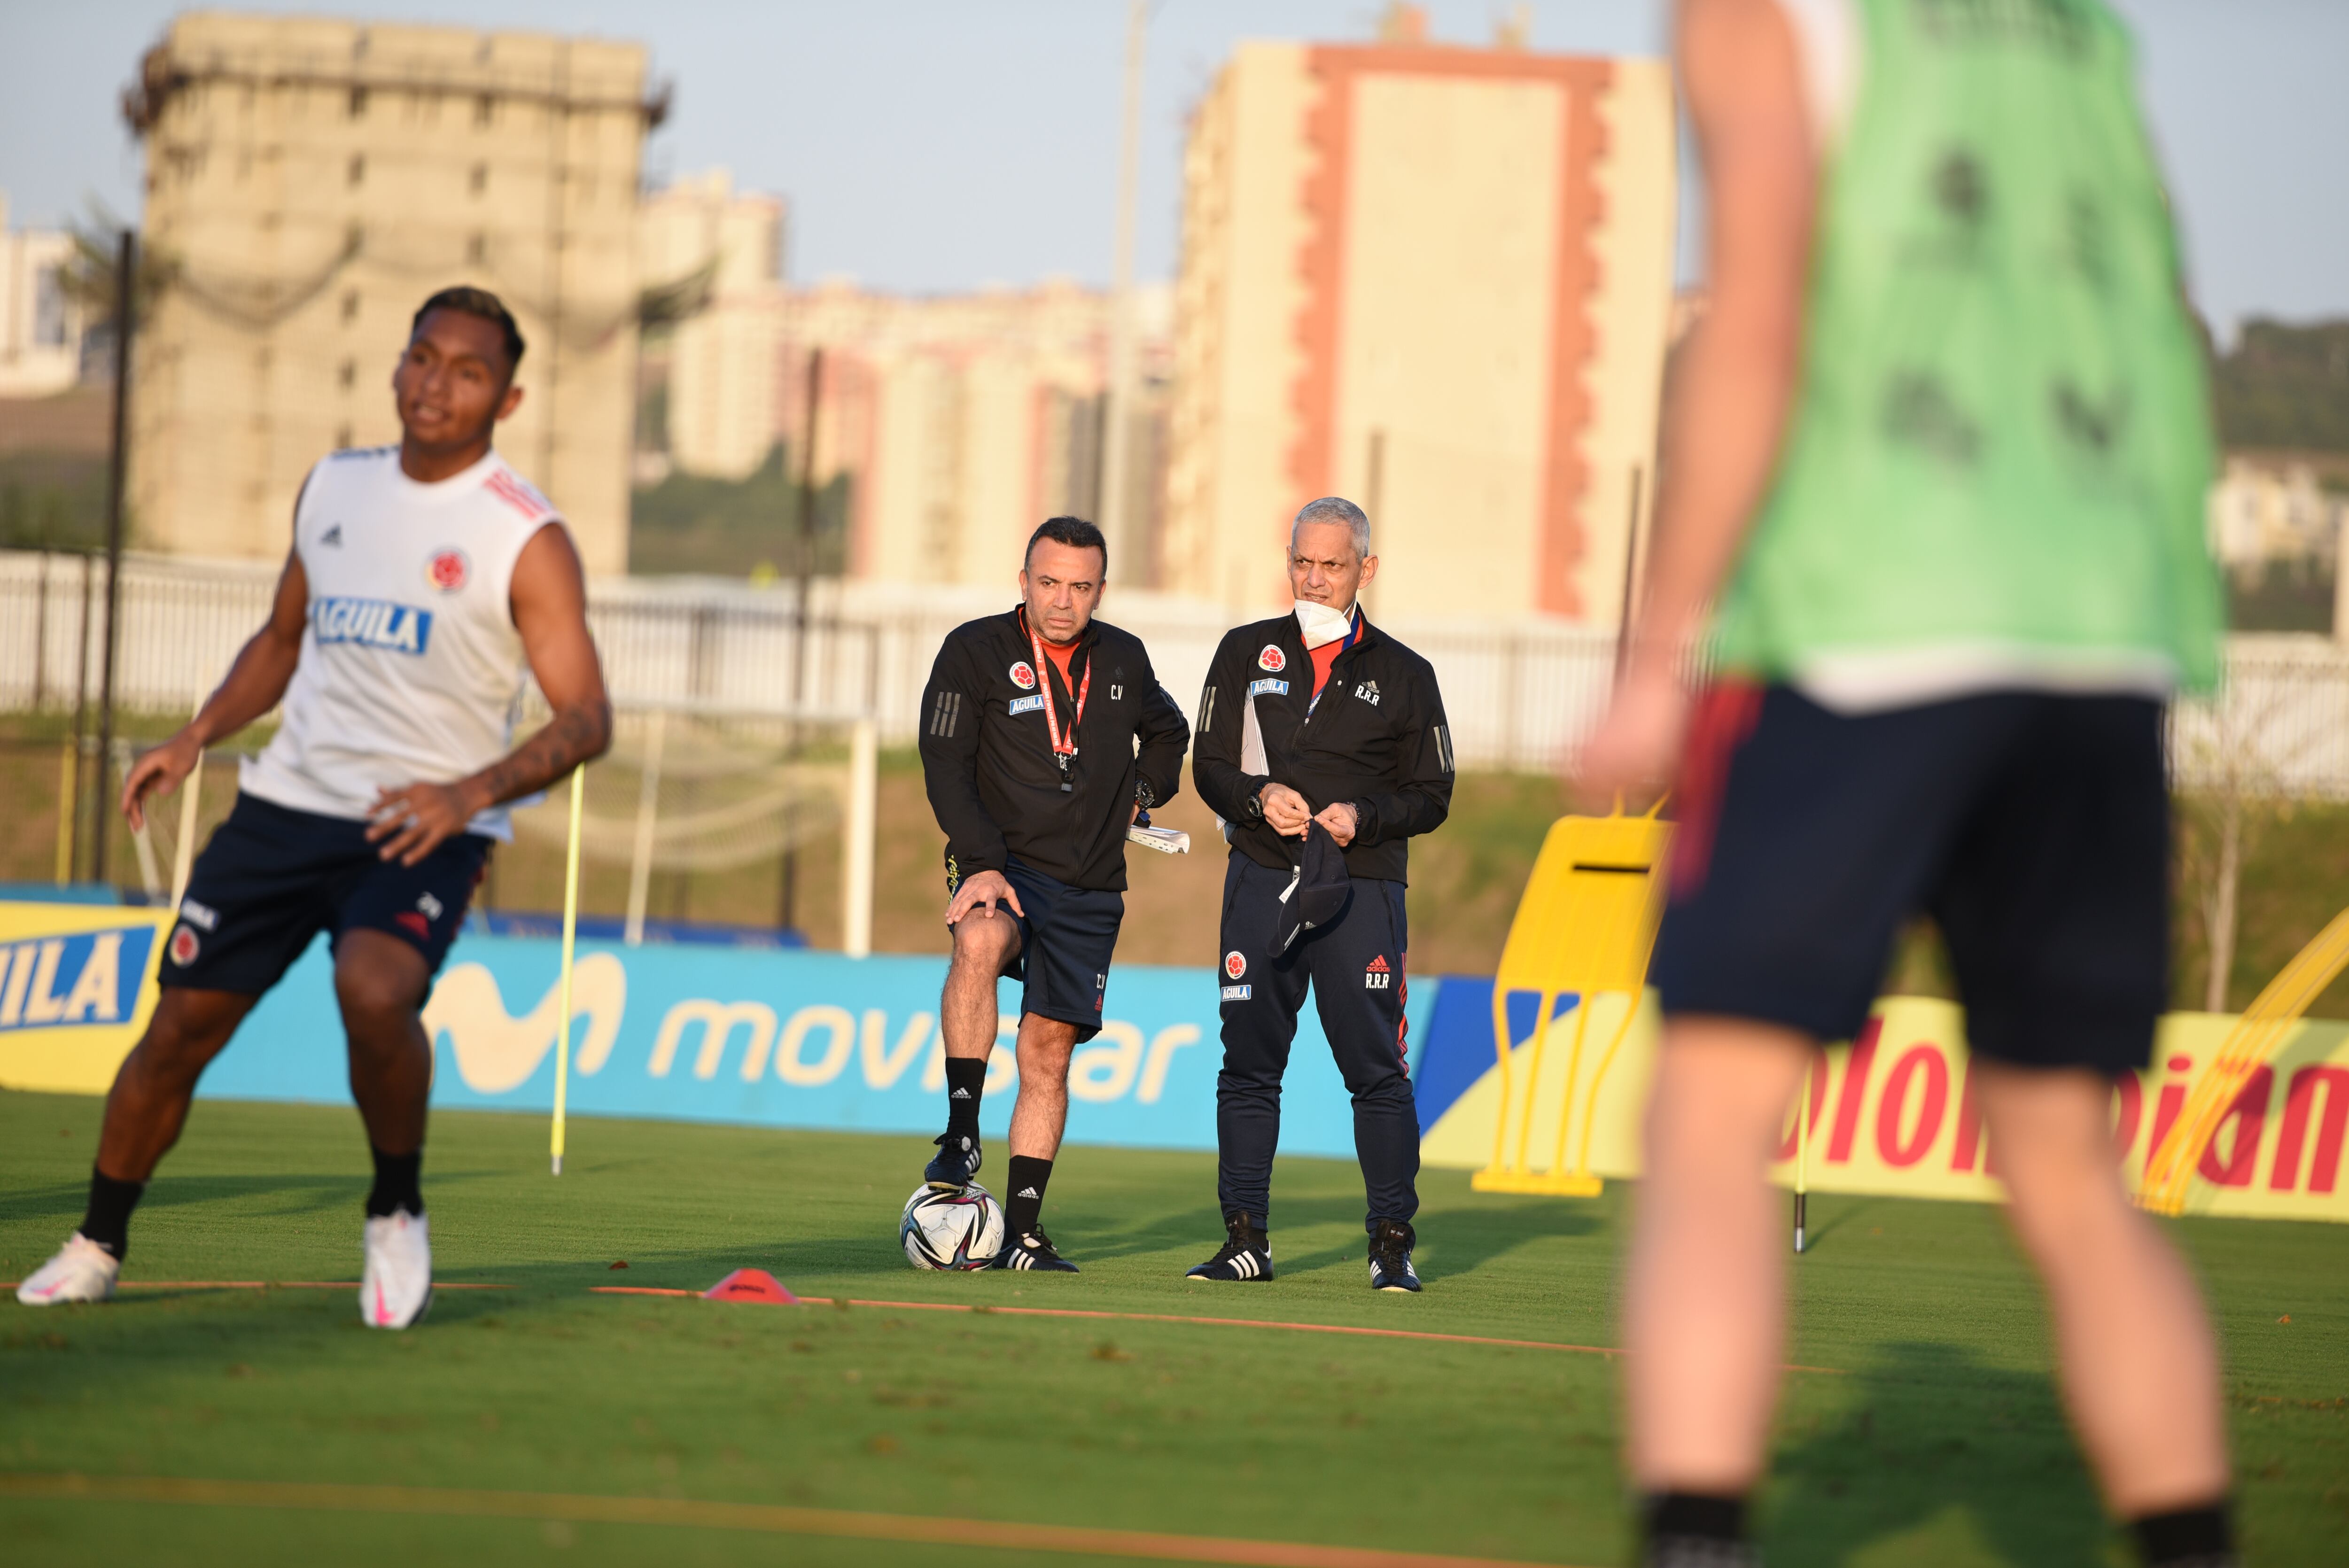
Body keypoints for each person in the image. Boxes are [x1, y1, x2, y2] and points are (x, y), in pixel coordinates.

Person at [1579, 2, 2233, 1562]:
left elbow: (1757, 317)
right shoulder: (2077, 30)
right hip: (2099, 629)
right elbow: (2162, 308)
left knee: (1715, 1113)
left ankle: (1695, 1533)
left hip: (1866, 614)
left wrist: (1661, 650)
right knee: (2073, 1171)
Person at [17, 287, 612, 1330]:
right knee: (177, 1033)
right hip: (287, 807)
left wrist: (468, 793)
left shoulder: (524, 534)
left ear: (507, 400)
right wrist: (197, 732)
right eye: (423, 357)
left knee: (373, 988)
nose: (436, 383)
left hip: (422, 819)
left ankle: (394, 1208)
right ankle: (97, 1239)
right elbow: (283, 639)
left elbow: (588, 716)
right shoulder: (334, 486)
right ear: (396, 366)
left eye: (467, 371)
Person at [1185, 497, 1455, 1291]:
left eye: (1332, 564)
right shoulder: (1245, 651)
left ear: (1365, 569)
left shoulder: (1407, 673)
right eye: (1303, 561)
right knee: (1248, 1066)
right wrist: (1257, 797)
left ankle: (1391, 1243)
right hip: (1261, 879)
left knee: (1375, 1068)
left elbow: (1434, 793)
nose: (1314, 577)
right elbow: (1209, 767)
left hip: (1360, 888)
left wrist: (1362, 817)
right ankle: (1245, 1240)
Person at [916, 516, 1189, 1271]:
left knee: (1047, 1053)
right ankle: (961, 1131)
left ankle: (1025, 1233)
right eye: (1049, 582)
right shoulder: (973, 651)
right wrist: (979, 860)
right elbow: (943, 762)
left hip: (1091, 884)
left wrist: (1139, 794)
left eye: (1080, 586)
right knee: (978, 937)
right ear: (1023, 579)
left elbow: (1171, 735)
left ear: (1101, 588)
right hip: (1000, 865)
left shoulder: (1124, 658)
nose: (1063, 601)